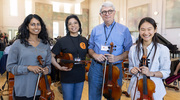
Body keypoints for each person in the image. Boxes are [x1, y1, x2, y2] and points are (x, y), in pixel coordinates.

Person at [88, 1, 132, 100]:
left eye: (110, 11)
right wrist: (95, 55)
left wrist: (117, 57)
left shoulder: (124, 30)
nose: (107, 14)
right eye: (104, 12)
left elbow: (128, 50)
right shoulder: (95, 30)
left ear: (114, 12)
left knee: (114, 97)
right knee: (94, 96)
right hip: (97, 68)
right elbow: (90, 48)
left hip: (115, 69)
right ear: (100, 14)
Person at [6, 14, 51, 100]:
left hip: (41, 89)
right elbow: (9, 67)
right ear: (27, 27)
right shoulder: (18, 44)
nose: (36, 27)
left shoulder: (45, 45)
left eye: (38, 24)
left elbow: (48, 64)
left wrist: (47, 69)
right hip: (23, 89)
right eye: (32, 24)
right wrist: (28, 68)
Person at [127, 17, 171, 100]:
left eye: (149, 29)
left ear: (155, 30)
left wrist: (150, 73)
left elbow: (166, 72)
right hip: (137, 90)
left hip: (155, 90)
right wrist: (132, 70)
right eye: (143, 29)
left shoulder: (162, 49)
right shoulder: (133, 49)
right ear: (139, 30)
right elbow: (130, 67)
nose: (146, 33)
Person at [51, 14, 88, 100]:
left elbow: (88, 54)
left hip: (80, 74)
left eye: (75, 23)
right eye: (70, 24)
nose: (73, 25)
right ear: (67, 27)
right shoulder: (62, 41)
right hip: (67, 75)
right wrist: (59, 67)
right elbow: (51, 56)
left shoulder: (84, 40)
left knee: (77, 98)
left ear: (79, 24)